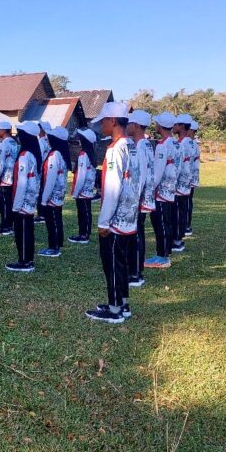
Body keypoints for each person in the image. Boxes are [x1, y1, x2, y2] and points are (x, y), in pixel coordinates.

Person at [86, 103, 140, 323]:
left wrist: (104, 221)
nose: (101, 125)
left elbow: (112, 187)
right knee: (122, 263)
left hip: (116, 220)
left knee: (113, 264)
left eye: (103, 121)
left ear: (113, 121)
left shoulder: (114, 150)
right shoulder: (132, 146)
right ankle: (123, 303)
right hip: (129, 216)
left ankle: (115, 309)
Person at [6, 122, 42, 273]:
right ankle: (28, 259)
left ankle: (25, 261)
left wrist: (15, 205)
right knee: (28, 229)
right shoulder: (33, 153)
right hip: (30, 199)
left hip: (23, 201)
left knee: (22, 231)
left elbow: (21, 183)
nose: (18, 136)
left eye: (20, 133)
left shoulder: (24, 155)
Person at [145, 112, 178, 269]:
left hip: (161, 193)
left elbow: (157, 173)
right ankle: (166, 253)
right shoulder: (175, 143)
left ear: (161, 126)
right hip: (171, 190)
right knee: (167, 223)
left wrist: (150, 190)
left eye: (157, 123)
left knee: (161, 224)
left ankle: (162, 257)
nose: (155, 125)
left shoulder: (162, 146)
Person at [126, 110, 155, 287]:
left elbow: (141, 175)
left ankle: (135, 273)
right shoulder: (145, 144)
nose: (126, 126)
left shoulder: (141, 147)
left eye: (129, 123)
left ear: (136, 126)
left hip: (139, 198)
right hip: (142, 197)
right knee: (138, 233)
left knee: (136, 234)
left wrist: (135, 197)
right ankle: (136, 269)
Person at [39, 126, 70, 257]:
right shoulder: (61, 153)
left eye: (50, 137)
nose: (47, 139)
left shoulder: (54, 155)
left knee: (52, 221)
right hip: (59, 193)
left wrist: (44, 199)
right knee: (57, 218)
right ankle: (58, 243)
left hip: (52, 194)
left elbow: (50, 179)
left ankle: (54, 247)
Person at [68, 128, 98, 244]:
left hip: (82, 190)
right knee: (86, 212)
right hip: (88, 189)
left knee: (82, 213)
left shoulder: (83, 154)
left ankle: (83, 235)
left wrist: (75, 192)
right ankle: (85, 233)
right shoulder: (91, 154)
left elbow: (81, 175)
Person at [172, 113, 195, 252]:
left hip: (180, 183)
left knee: (178, 212)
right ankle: (178, 238)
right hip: (186, 182)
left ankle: (177, 241)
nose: (173, 127)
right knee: (182, 210)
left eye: (175, 124)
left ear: (181, 126)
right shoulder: (190, 142)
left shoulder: (182, 143)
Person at [0, 121, 18, 236]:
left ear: (4, 131)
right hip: (12, 177)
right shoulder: (14, 142)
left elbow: (0, 163)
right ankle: (9, 224)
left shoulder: (3, 144)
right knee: (9, 202)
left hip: (4, 179)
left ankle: (6, 226)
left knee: (3, 203)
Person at [34, 121, 52, 223]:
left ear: (41, 130)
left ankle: (41, 214)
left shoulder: (41, 141)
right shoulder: (49, 141)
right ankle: (46, 212)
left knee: (41, 191)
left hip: (41, 170)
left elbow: (38, 156)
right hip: (48, 169)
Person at [186, 120, 201, 235]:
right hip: (191, 178)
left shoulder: (190, 144)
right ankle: (187, 225)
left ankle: (186, 226)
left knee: (186, 203)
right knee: (188, 202)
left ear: (191, 131)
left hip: (187, 178)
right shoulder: (194, 144)